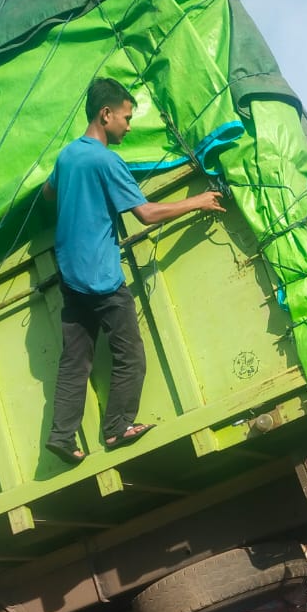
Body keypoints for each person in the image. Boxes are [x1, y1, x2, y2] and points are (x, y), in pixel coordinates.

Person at [43, 77, 226, 463]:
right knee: (131, 356)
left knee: (75, 361)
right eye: (126, 117)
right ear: (105, 114)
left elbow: (48, 193)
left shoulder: (68, 156)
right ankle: (117, 428)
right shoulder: (107, 161)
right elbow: (146, 214)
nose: (128, 125)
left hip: (70, 273)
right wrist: (199, 201)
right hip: (102, 278)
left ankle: (62, 436)